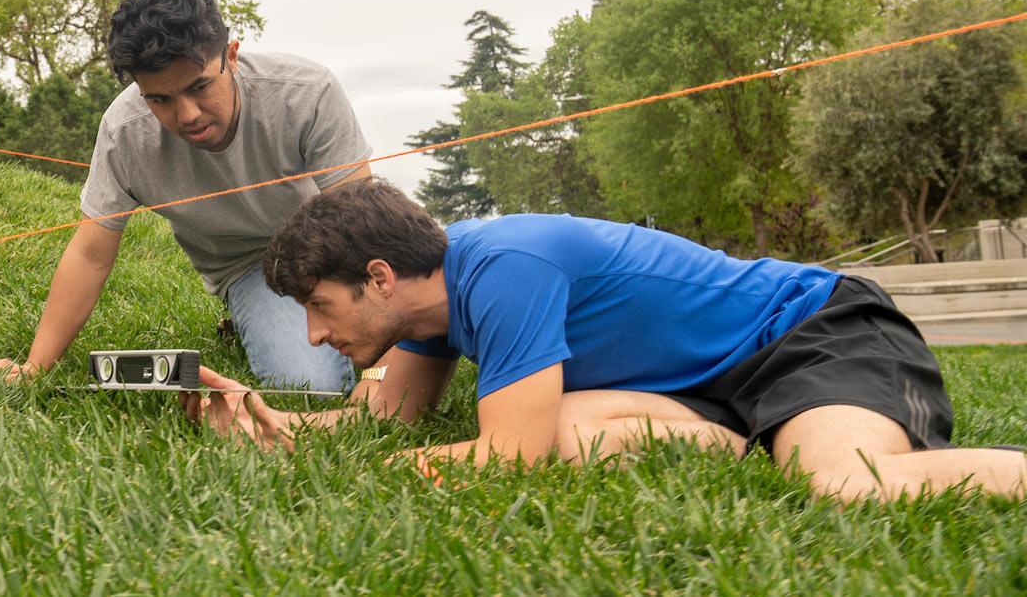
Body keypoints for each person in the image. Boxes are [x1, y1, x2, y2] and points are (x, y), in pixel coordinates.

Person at [184, 177, 1027, 501]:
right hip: (711, 387)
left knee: (846, 488)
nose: (313, 332)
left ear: (377, 278)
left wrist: (366, 480)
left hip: (811, 332)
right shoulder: (429, 306)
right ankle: (761, 442)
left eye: (319, 307)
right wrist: (268, 425)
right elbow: (386, 423)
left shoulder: (505, 266)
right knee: (570, 436)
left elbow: (503, 458)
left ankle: (810, 440)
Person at [0, 0, 373, 391]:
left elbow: (359, 222)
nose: (188, 114)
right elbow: (90, 254)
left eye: (200, 86)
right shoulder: (124, 133)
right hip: (250, 268)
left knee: (387, 332)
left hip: (327, 247)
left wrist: (384, 360)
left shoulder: (307, 92)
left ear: (230, 55)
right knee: (308, 387)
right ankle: (256, 315)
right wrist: (35, 367)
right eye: (160, 99)